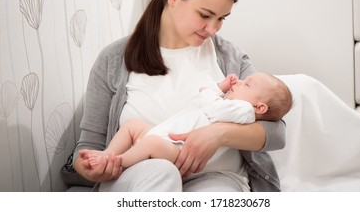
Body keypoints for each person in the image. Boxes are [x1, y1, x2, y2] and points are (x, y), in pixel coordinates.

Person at [72, 0, 287, 192]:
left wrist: (217, 134)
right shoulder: (113, 59)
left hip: (216, 178)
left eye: (221, 19)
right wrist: (96, 166)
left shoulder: (229, 58)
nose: (212, 28)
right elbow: (87, 149)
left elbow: (276, 132)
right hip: (144, 174)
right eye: (205, 15)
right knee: (162, 173)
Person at [80, 72, 292, 170]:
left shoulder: (244, 110)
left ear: (260, 107)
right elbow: (212, 100)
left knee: (151, 143)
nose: (241, 81)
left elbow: (212, 107)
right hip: (166, 135)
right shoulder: (237, 103)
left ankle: (120, 162)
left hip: (179, 151)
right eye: (204, 14)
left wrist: (214, 91)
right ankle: (107, 155)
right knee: (132, 126)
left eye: (247, 85)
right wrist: (220, 87)